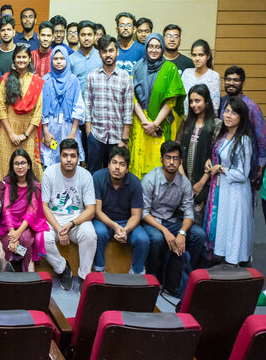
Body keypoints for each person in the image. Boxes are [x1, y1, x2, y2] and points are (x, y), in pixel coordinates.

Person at [142, 141, 206, 281]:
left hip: (173, 221)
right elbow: (144, 213)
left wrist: (182, 232)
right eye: (168, 158)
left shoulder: (184, 183)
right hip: (153, 222)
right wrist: (165, 231)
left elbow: (189, 212)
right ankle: (153, 276)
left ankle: (186, 274)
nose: (171, 162)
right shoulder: (150, 180)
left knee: (199, 235)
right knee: (157, 238)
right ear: (161, 160)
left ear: (180, 162)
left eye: (175, 158)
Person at [40, 139, 96, 290]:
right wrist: (59, 228)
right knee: (41, 238)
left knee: (90, 235)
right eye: (65, 155)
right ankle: (63, 268)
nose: (69, 159)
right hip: (54, 219)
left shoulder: (85, 175)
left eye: (73, 156)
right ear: (59, 156)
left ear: (78, 157)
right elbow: (44, 206)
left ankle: (84, 276)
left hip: (77, 220)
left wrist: (71, 224)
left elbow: (91, 210)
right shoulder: (49, 173)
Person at [204, 97, 254, 265]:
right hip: (222, 189)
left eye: (233, 113)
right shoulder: (223, 135)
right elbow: (217, 156)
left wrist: (220, 169)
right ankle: (226, 264)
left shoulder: (244, 140)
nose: (228, 115)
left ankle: (237, 266)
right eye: (226, 111)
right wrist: (210, 161)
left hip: (236, 193)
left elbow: (242, 174)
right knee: (225, 228)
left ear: (241, 117)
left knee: (234, 229)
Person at [129, 33, 186, 178]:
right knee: (139, 166)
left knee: (158, 167)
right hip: (141, 125)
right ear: (146, 48)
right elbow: (132, 97)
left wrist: (154, 124)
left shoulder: (170, 69)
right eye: (151, 46)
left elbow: (171, 101)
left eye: (158, 47)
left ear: (162, 49)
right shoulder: (138, 67)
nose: (154, 50)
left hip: (161, 125)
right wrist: (145, 122)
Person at [0, 43, 44, 180]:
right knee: (4, 168)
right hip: (7, 132)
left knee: (27, 170)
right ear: (14, 59)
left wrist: (25, 135)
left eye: (24, 57)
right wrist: (11, 134)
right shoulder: (6, 79)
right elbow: (1, 109)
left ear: (30, 59)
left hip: (28, 133)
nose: (21, 60)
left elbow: (37, 113)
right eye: (18, 57)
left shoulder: (37, 82)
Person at [92, 146, 149, 275]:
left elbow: (136, 215)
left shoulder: (135, 182)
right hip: (104, 221)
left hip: (126, 222)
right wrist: (114, 226)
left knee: (143, 239)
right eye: (114, 162)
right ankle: (99, 270)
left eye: (122, 164)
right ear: (108, 164)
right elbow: (97, 211)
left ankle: (136, 273)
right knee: (99, 233)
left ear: (127, 168)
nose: (117, 167)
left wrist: (125, 230)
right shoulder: (98, 177)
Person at [84, 35, 134, 173]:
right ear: (100, 53)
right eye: (104, 51)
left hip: (117, 137)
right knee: (93, 172)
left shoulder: (125, 78)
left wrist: (124, 139)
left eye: (111, 50)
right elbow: (87, 106)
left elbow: (128, 111)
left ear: (117, 52)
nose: (108, 54)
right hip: (96, 135)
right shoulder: (92, 76)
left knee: (115, 173)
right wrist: (89, 133)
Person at [177, 84, 219, 223]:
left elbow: (215, 158)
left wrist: (201, 183)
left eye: (197, 101)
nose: (194, 105)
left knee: (200, 222)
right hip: (183, 178)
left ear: (206, 101)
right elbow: (177, 151)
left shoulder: (216, 124)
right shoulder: (186, 121)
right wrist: (184, 180)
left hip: (205, 182)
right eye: (191, 101)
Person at [0, 149, 47, 271]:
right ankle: (7, 270)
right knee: (6, 242)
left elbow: (31, 213)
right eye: (16, 163)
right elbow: (6, 209)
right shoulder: (7, 183)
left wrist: (17, 233)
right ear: (12, 166)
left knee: (25, 239)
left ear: (29, 165)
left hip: (26, 224)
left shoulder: (35, 186)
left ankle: (27, 267)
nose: (20, 167)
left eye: (23, 163)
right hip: (8, 224)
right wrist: (12, 232)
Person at [219, 66, 266, 188]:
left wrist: (260, 167)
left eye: (236, 80)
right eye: (228, 79)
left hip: (246, 163)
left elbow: (261, 138)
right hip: (223, 161)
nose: (231, 83)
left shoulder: (251, 106)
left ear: (243, 83)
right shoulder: (222, 103)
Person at [40, 45, 85, 167]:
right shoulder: (46, 80)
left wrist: (73, 133)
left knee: (69, 160)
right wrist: (46, 132)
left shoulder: (73, 80)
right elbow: (41, 108)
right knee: (50, 161)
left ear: (67, 60)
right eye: (55, 58)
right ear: (51, 60)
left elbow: (79, 107)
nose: (59, 61)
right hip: (50, 128)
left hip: (69, 127)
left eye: (62, 58)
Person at [180, 39, 220, 116]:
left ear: (208, 56)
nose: (197, 59)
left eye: (201, 55)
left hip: (206, 119)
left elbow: (215, 106)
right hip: (186, 118)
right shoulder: (186, 73)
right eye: (194, 55)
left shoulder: (214, 76)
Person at [69, 21, 103, 88]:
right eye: (83, 35)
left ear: (94, 36)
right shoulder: (71, 59)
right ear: (78, 36)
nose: (86, 38)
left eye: (89, 35)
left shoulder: (101, 57)